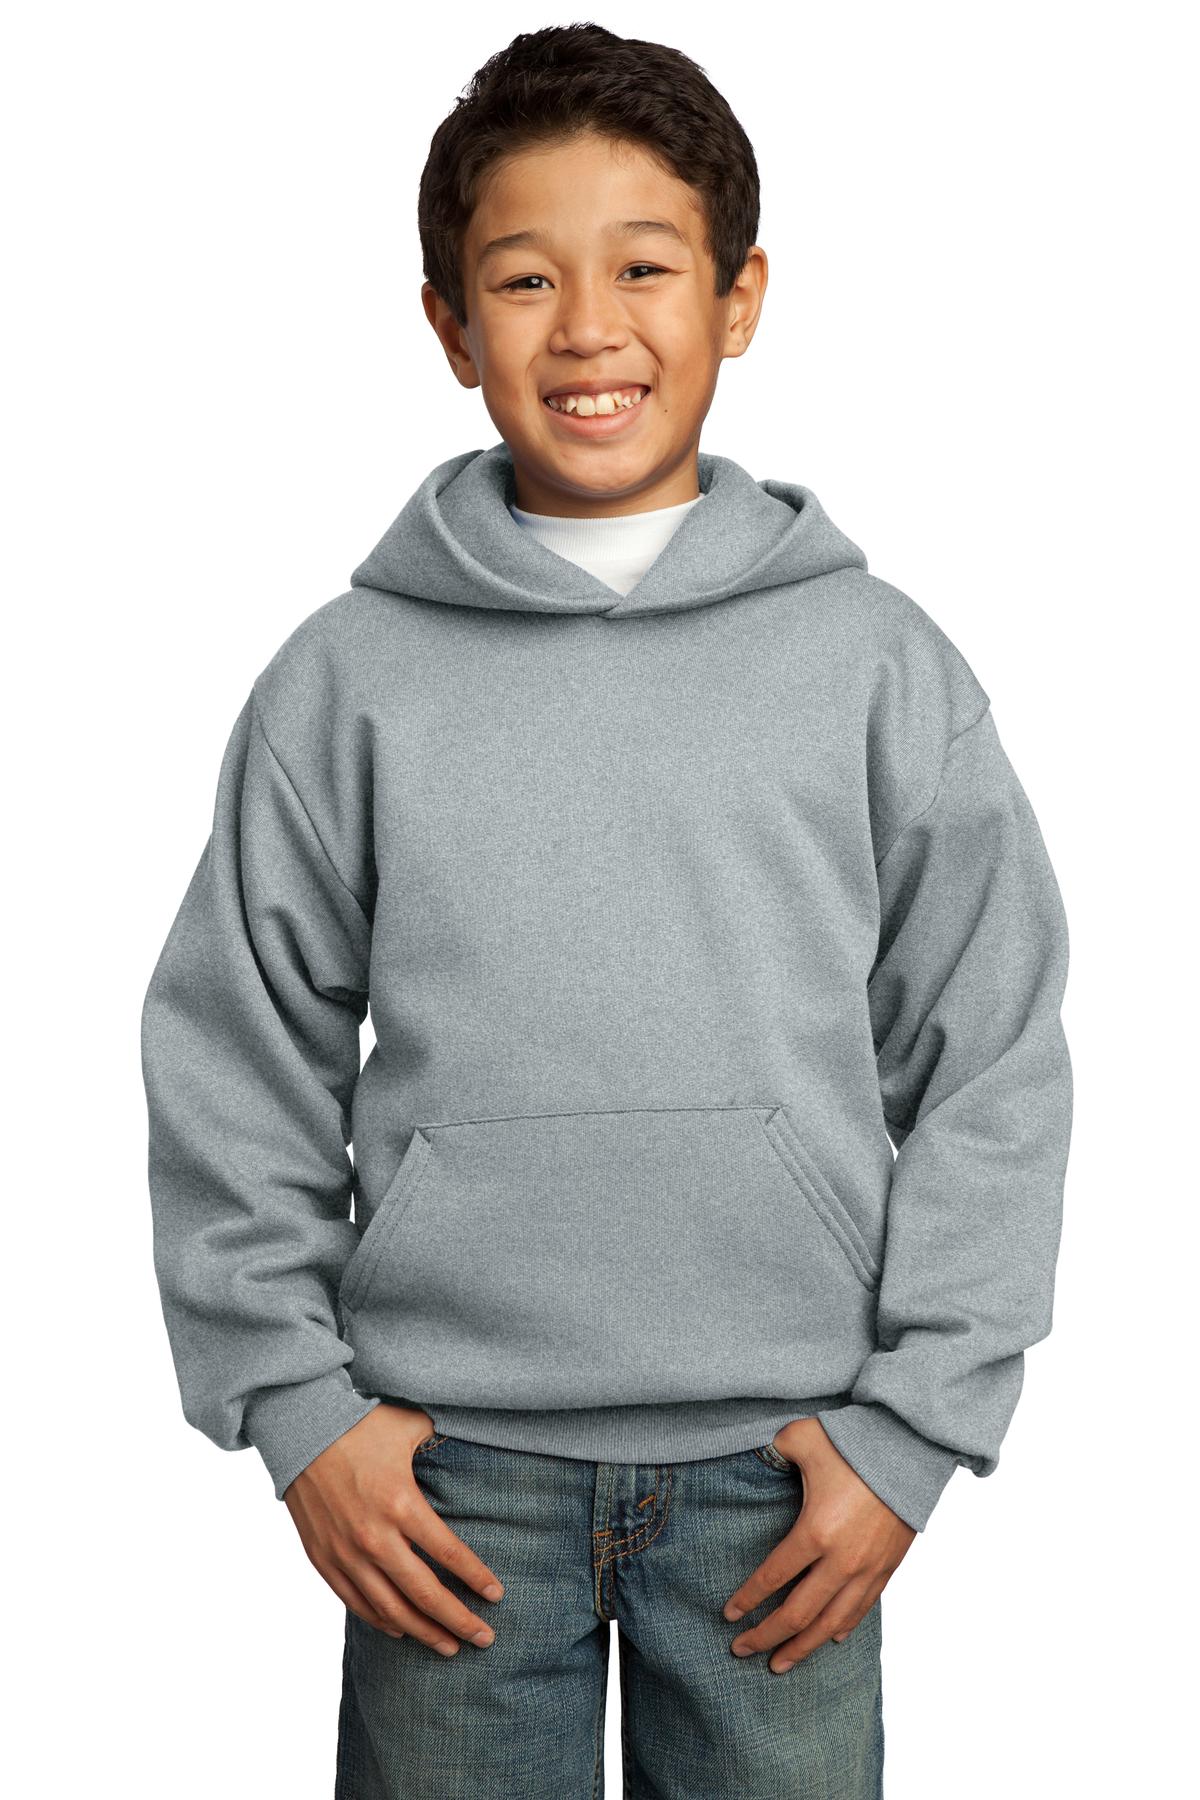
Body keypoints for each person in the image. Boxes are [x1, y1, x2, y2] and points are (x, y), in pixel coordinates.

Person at [140, 22, 1073, 1798]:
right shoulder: (345, 683)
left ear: (739, 298)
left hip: (787, 1473)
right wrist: (298, 1409)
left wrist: (919, 1425)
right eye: (524, 278)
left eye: (643, 267)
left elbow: (995, 1053)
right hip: (443, 1481)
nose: (586, 327)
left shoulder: (878, 667)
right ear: (448, 325)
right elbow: (230, 1052)